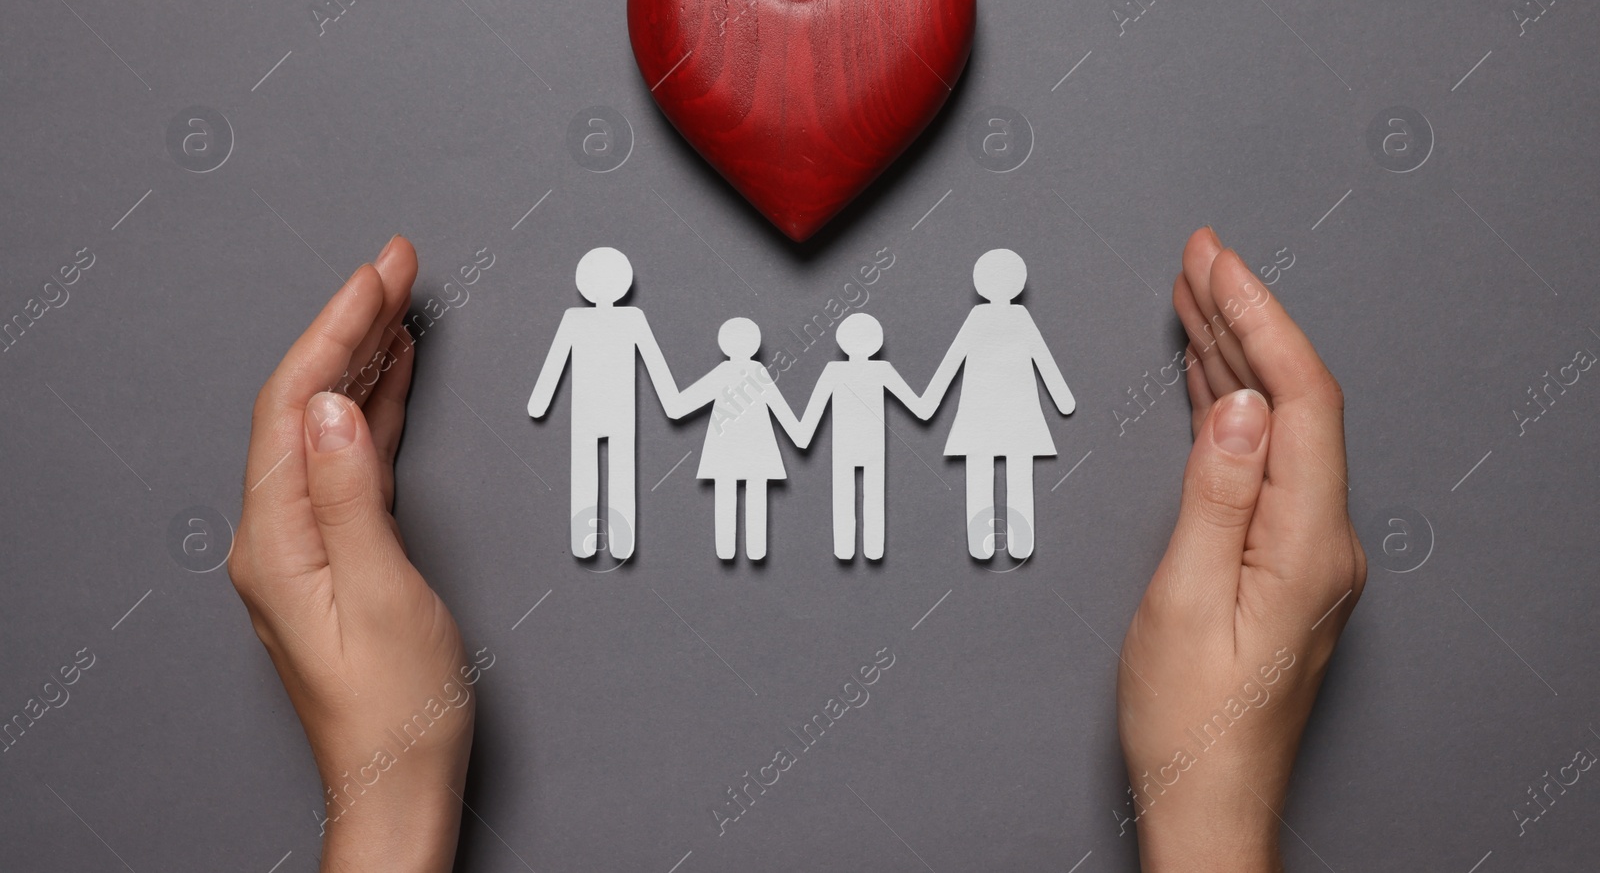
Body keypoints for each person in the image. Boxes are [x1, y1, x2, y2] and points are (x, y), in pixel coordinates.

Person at [229, 227, 1365, 871]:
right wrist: (1211, 812)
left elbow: (923, 389)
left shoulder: (985, 323)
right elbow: (595, 383)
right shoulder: (611, 325)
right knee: (605, 484)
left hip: (938, 436)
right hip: (728, 445)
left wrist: (384, 804)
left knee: (976, 494)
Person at [918, 248, 1075, 560]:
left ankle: (988, 543)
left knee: (981, 474)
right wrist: (1061, 397)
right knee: (1016, 476)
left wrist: (930, 399)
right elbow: (1041, 358)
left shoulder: (989, 318)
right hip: (1015, 416)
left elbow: (953, 360)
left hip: (984, 416)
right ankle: (1014, 543)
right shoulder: (1013, 317)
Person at [526, 247, 679, 560]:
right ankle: (616, 543)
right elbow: (654, 365)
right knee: (619, 471)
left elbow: (555, 363)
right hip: (616, 412)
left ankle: (592, 542)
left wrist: (540, 402)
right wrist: (671, 400)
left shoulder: (581, 319)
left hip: (593, 412)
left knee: (589, 471)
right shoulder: (627, 318)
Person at [791, 312, 930, 560]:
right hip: (871, 446)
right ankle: (872, 549)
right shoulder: (880, 370)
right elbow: (919, 407)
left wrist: (799, 432)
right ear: (876, 342)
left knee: (845, 495)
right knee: (873, 495)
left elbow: (811, 416)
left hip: (847, 447)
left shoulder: (835, 371)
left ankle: (846, 549)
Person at [668, 317, 804, 561]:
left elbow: (679, 407)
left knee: (726, 493)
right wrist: (799, 435)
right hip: (757, 448)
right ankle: (755, 550)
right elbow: (781, 409)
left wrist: (666, 390)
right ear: (755, 344)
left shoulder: (726, 372)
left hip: (725, 449)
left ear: (724, 344)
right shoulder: (758, 372)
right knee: (756, 494)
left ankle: (727, 550)